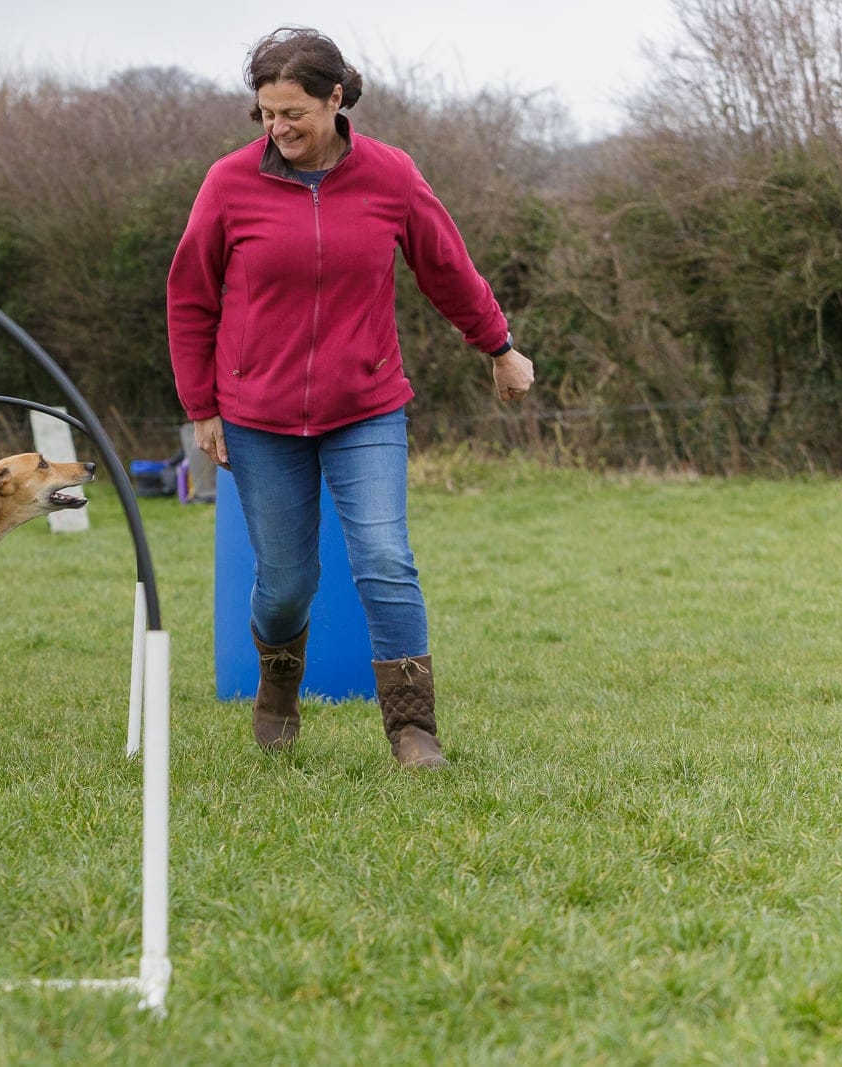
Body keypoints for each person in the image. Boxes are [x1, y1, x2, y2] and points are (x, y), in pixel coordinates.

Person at [167, 26, 535, 769]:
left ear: (337, 99)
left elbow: (446, 267)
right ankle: (278, 685)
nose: (279, 128)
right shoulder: (229, 184)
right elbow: (190, 299)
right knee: (285, 581)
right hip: (259, 416)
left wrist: (498, 345)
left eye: (294, 112)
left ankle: (411, 729)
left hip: (366, 404)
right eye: (267, 113)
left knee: (385, 557)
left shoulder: (390, 176)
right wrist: (202, 405)